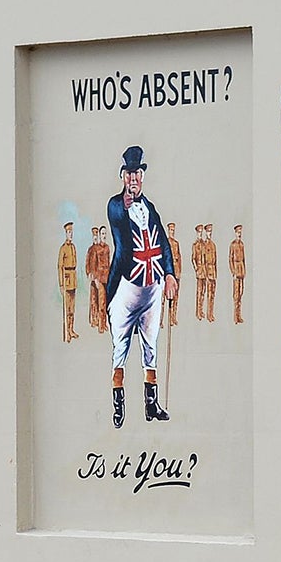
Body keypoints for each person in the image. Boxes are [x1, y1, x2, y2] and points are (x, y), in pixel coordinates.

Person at [105, 146, 177, 426]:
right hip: (126, 288)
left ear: (142, 176)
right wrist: (125, 201)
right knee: (120, 347)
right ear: (123, 176)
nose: (133, 178)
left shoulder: (151, 208)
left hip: (152, 287)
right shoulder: (115, 204)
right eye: (129, 173)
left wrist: (169, 274)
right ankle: (118, 405)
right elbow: (117, 217)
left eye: (137, 173)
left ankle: (151, 404)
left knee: (151, 346)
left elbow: (163, 243)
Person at [85, 227, 111, 333]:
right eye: (102, 234)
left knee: (105, 302)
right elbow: (93, 263)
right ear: (99, 235)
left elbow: (108, 263)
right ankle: (100, 324)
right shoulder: (95, 249)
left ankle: (104, 323)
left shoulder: (107, 248)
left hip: (106, 277)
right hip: (99, 278)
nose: (104, 236)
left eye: (105, 234)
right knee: (100, 301)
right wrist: (94, 277)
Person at [56, 221, 79, 342]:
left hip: (73, 279)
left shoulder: (73, 247)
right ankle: (66, 333)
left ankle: (71, 330)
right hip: (66, 280)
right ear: (65, 233)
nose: (71, 234)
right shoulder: (63, 248)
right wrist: (61, 283)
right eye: (69, 232)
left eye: (72, 232)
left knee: (72, 308)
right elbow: (60, 266)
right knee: (67, 308)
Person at [193, 224, 217, 322]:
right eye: (207, 232)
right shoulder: (198, 245)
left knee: (211, 294)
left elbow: (215, 261)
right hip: (201, 272)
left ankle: (210, 314)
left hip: (210, 272)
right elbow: (194, 258)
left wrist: (215, 273)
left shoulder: (212, 245)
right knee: (200, 292)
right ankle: (199, 312)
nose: (208, 233)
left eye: (210, 232)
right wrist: (197, 269)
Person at [164, 223, 182, 328]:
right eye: (171, 230)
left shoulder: (176, 243)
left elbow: (178, 258)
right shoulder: (165, 243)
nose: (172, 232)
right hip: (167, 275)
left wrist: (179, 272)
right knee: (163, 299)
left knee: (175, 297)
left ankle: (173, 317)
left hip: (176, 272)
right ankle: (161, 319)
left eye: (173, 230)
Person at [228, 224, 246, 325]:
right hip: (236, 271)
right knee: (236, 295)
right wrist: (233, 272)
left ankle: (239, 316)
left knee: (241, 294)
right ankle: (235, 317)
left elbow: (244, 259)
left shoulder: (241, 244)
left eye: (240, 232)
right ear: (235, 233)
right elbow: (230, 259)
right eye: (238, 232)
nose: (239, 234)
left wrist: (244, 271)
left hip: (241, 271)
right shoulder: (233, 245)